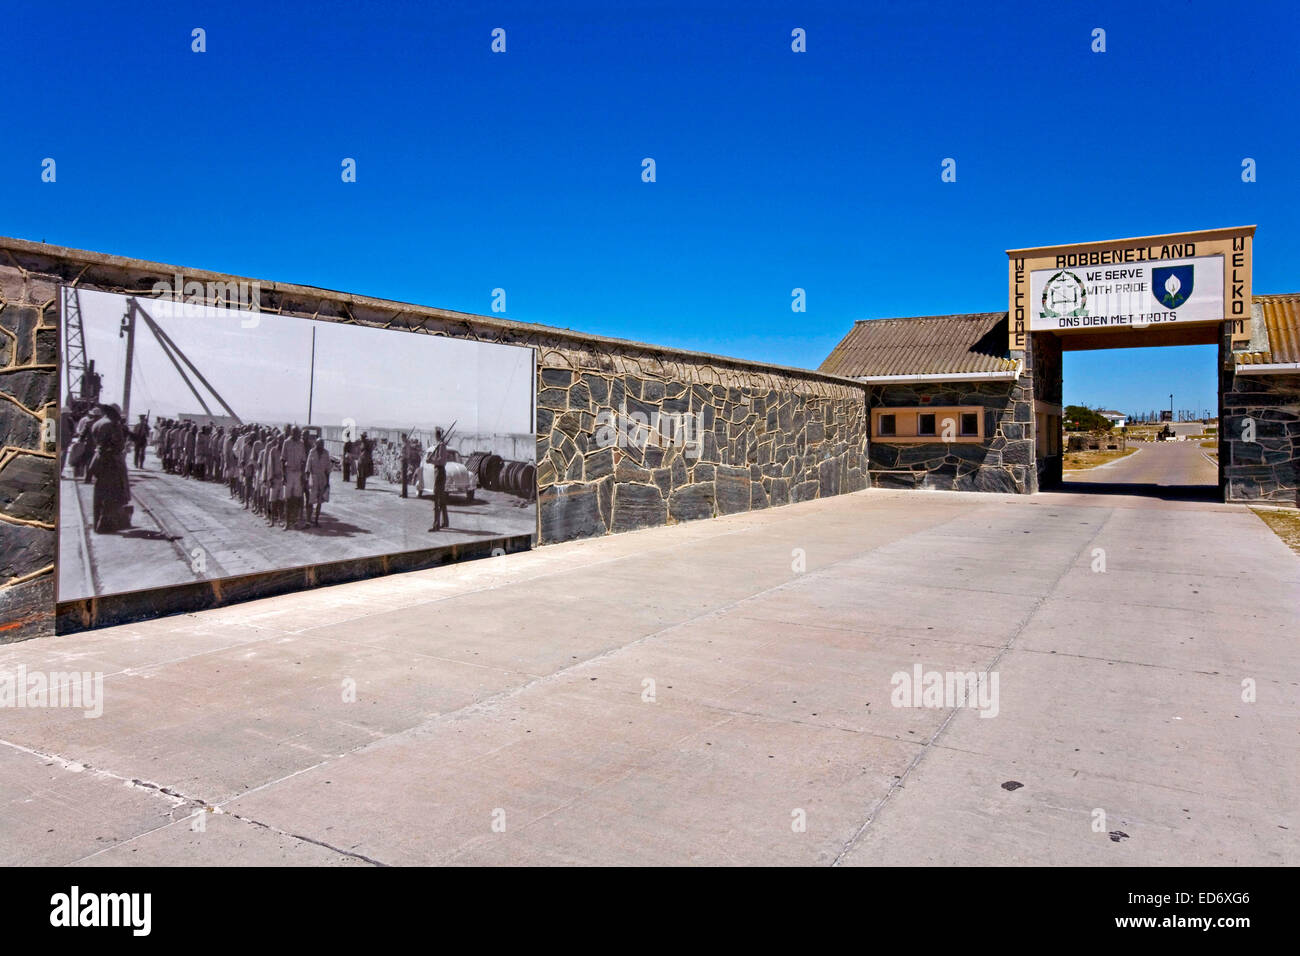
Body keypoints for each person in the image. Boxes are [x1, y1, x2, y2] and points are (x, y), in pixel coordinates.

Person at [87, 404, 131, 534]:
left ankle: (97, 524)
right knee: (111, 494)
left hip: (98, 461)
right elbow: (119, 445)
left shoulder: (97, 423)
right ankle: (104, 524)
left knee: (98, 493)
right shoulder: (113, 424)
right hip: (111, 462)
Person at [282, 427, 307, 529]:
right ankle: (287, 523)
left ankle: (296, 522)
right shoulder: (286, 443)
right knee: (288, 499)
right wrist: (284, 475)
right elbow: (283, 460)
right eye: (295, 432)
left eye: (298, 433)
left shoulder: (301, 444)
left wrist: (302, 475)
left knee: (297, 498)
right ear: (292, 433)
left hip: (298, 474)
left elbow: (303, 461)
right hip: (289, 472)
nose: (297, 434)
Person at [428, 427, 449, 532]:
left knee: (436, 498)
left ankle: (436, 525)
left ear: (437, 436)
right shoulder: (442, 445)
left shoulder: (441, 446)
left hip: (439, 472)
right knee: (442, 498)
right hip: (441, 472)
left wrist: (431, 460)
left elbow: (440, 461)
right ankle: (445, 522)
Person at [306, 438, 331, 527]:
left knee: (320, 501)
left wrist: (327, 482)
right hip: (313, 478)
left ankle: (316, 521)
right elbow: (307, 468)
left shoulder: (326, 453)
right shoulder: (312, 452)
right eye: (319, 444)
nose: (321, 446)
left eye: (322, 444)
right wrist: (307, 480)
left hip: (322, 478)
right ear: (316, 444)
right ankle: (308, 520)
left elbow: (328, 469)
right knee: (311, 500)